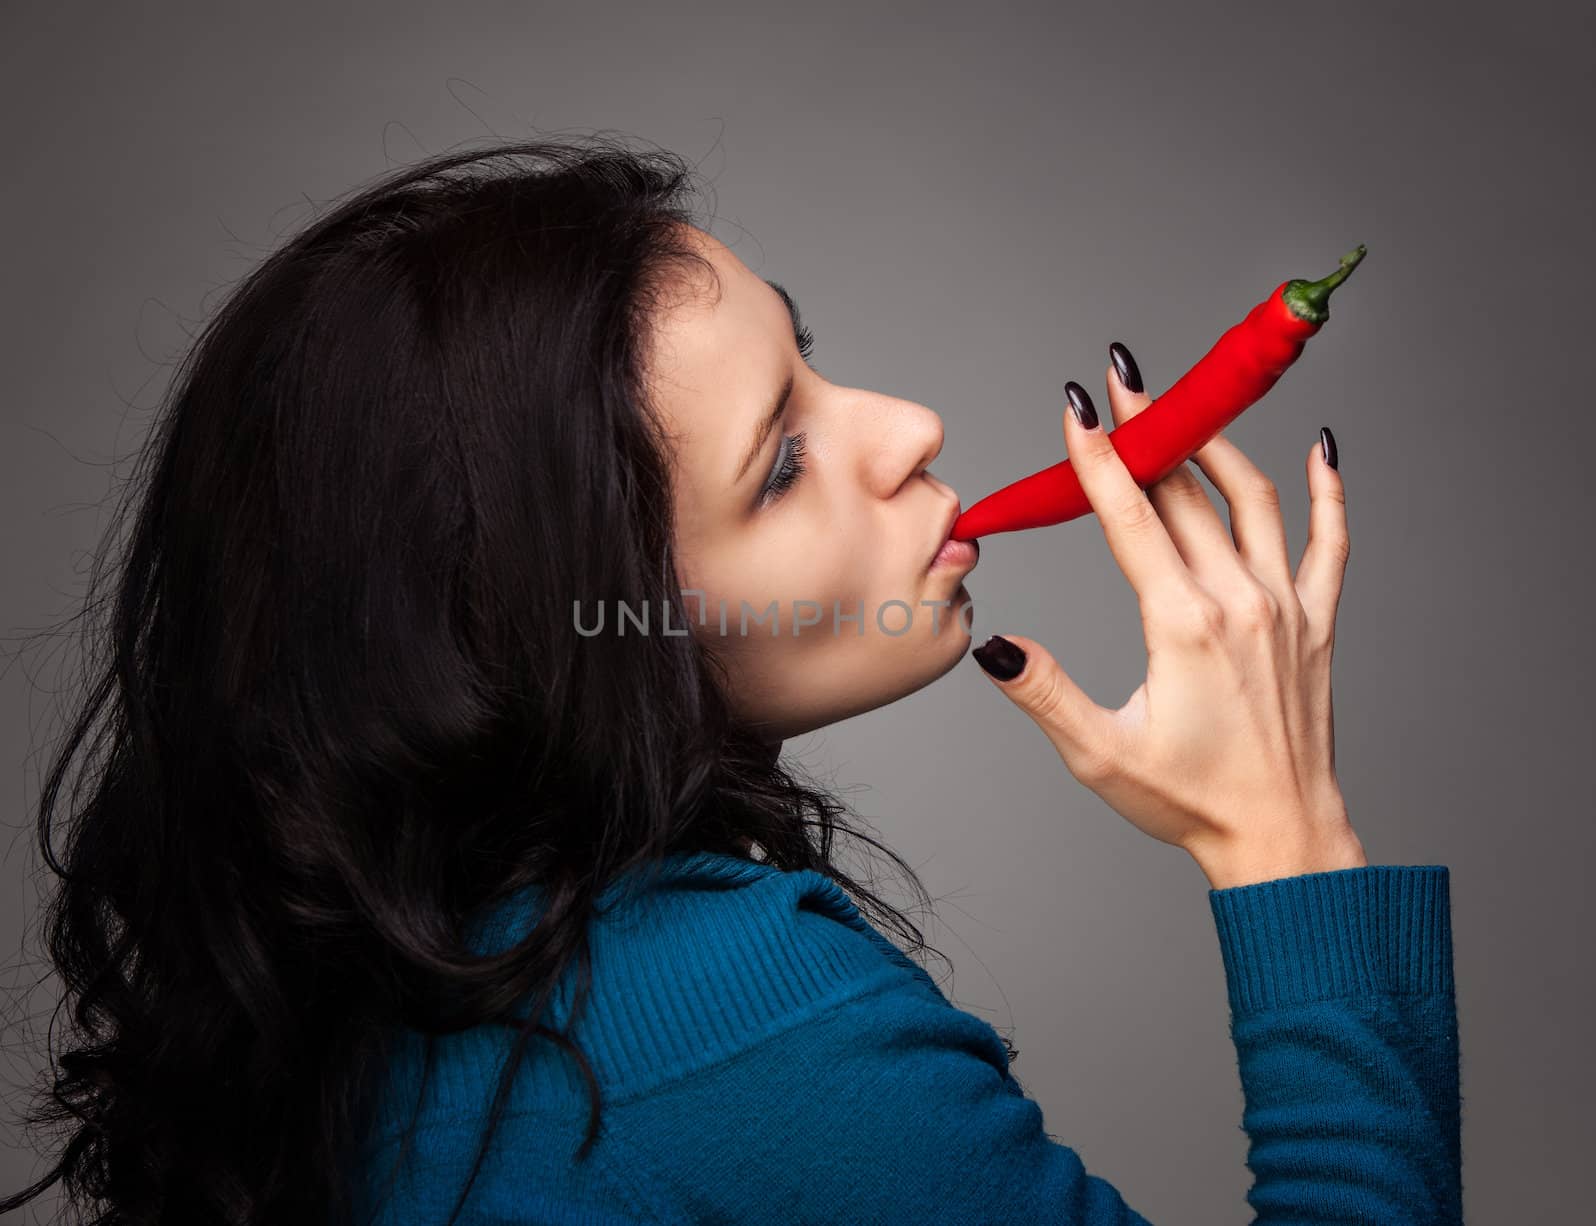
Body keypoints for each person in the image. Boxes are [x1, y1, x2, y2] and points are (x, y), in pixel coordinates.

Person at [2, 134, 1461, 1225]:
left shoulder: (372, 989)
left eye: (812, 366)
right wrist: (1282, 845)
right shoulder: (727, 1017)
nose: (910, 427)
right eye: (781, 464)